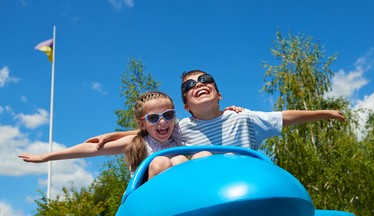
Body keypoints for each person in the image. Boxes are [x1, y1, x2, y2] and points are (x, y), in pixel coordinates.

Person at [86, 69, 345, 150]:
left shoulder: (242, 117)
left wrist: (325, 113)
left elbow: (284, 117)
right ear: (185, 106)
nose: (199, 84)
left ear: (218, 93)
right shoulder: (180, 128)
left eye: (205, 80)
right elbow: (148, 129)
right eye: (190, 85)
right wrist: (111, 135)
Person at [19, 91, 211, 180]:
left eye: (168, 115)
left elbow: (205, 119)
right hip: (147, 197)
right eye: (154, 118)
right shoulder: (139, 141)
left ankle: (199, 203)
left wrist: (227, 111)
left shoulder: (177, 132)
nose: (162, 122)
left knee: (200, 155)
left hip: (181, 191)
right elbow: (92, 149)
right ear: (142, 123)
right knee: (161, 162)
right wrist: (47, 156)